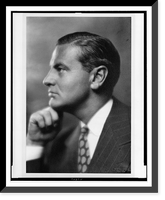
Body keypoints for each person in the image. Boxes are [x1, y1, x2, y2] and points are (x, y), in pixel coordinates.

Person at [26, 32, 131, 173]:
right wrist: (34, 144)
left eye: (61, 69)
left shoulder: (145, 132)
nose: (47, 80)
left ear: (97, 77)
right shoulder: (58, 144)